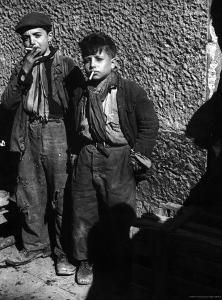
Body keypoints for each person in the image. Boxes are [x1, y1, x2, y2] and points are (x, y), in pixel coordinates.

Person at [70, 32, 159, 285]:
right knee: (83, 209)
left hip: (119, 157)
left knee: (119, 214)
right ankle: (85, 261)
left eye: (99, 59)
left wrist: (138, 156)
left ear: (114, 62)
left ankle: (119, 265)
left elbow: (149, 124)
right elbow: (74, 124)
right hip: (87, 154)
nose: (92, 65)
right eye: (87, 60)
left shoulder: (130, 91)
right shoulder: (82, 92)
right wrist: (76, 154)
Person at [1, 12, 84, 276]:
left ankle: (62, 251)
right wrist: (24, 72)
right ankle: (36, 245)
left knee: (61, 195)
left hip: (58, 132)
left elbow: (80, 105)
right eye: (26, 38)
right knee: (30, 191)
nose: (32, 42)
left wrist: (76, 145)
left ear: (51, 36)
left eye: (37, 35)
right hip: (29, 131)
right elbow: (7, 103)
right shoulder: (21, 67)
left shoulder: (67, 65)